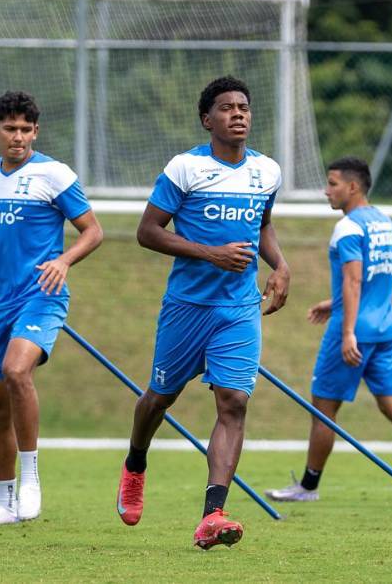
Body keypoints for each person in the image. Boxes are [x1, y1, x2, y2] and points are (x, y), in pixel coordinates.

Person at [114, 76, 291, 549]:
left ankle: (213, 514)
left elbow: (264, 225)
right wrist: (209, 253)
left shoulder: (267, 172)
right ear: (206, 119)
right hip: (187, 307)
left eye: (244, 107)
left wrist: (281, 265)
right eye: (227, 107)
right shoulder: (185, 168)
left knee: (234, 402)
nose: (238, 114)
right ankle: (135, 463)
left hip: (238, 307)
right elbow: (148, 232)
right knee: (159, 398)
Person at [0, 91, 104, 526]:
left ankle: (31, 477)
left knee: (17, 370)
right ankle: (4, 503)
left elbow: (93, 232)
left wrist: (63, 260)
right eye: (9, 129)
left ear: (35, 132)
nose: (17, 137)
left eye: (25, 129)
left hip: (42, 294)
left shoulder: (54, 174)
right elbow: (3, 235)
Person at [266, 156, 392, 504]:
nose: (326, 191)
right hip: (386, 327)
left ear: (353, 187)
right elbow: (376, 277)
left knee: (323, 408)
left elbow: (355, 278)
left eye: (332, 183)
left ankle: (308, 487)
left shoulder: (348, 227)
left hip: (354, 330)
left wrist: (347, 331)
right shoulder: (385, 222)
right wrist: (335, 302)